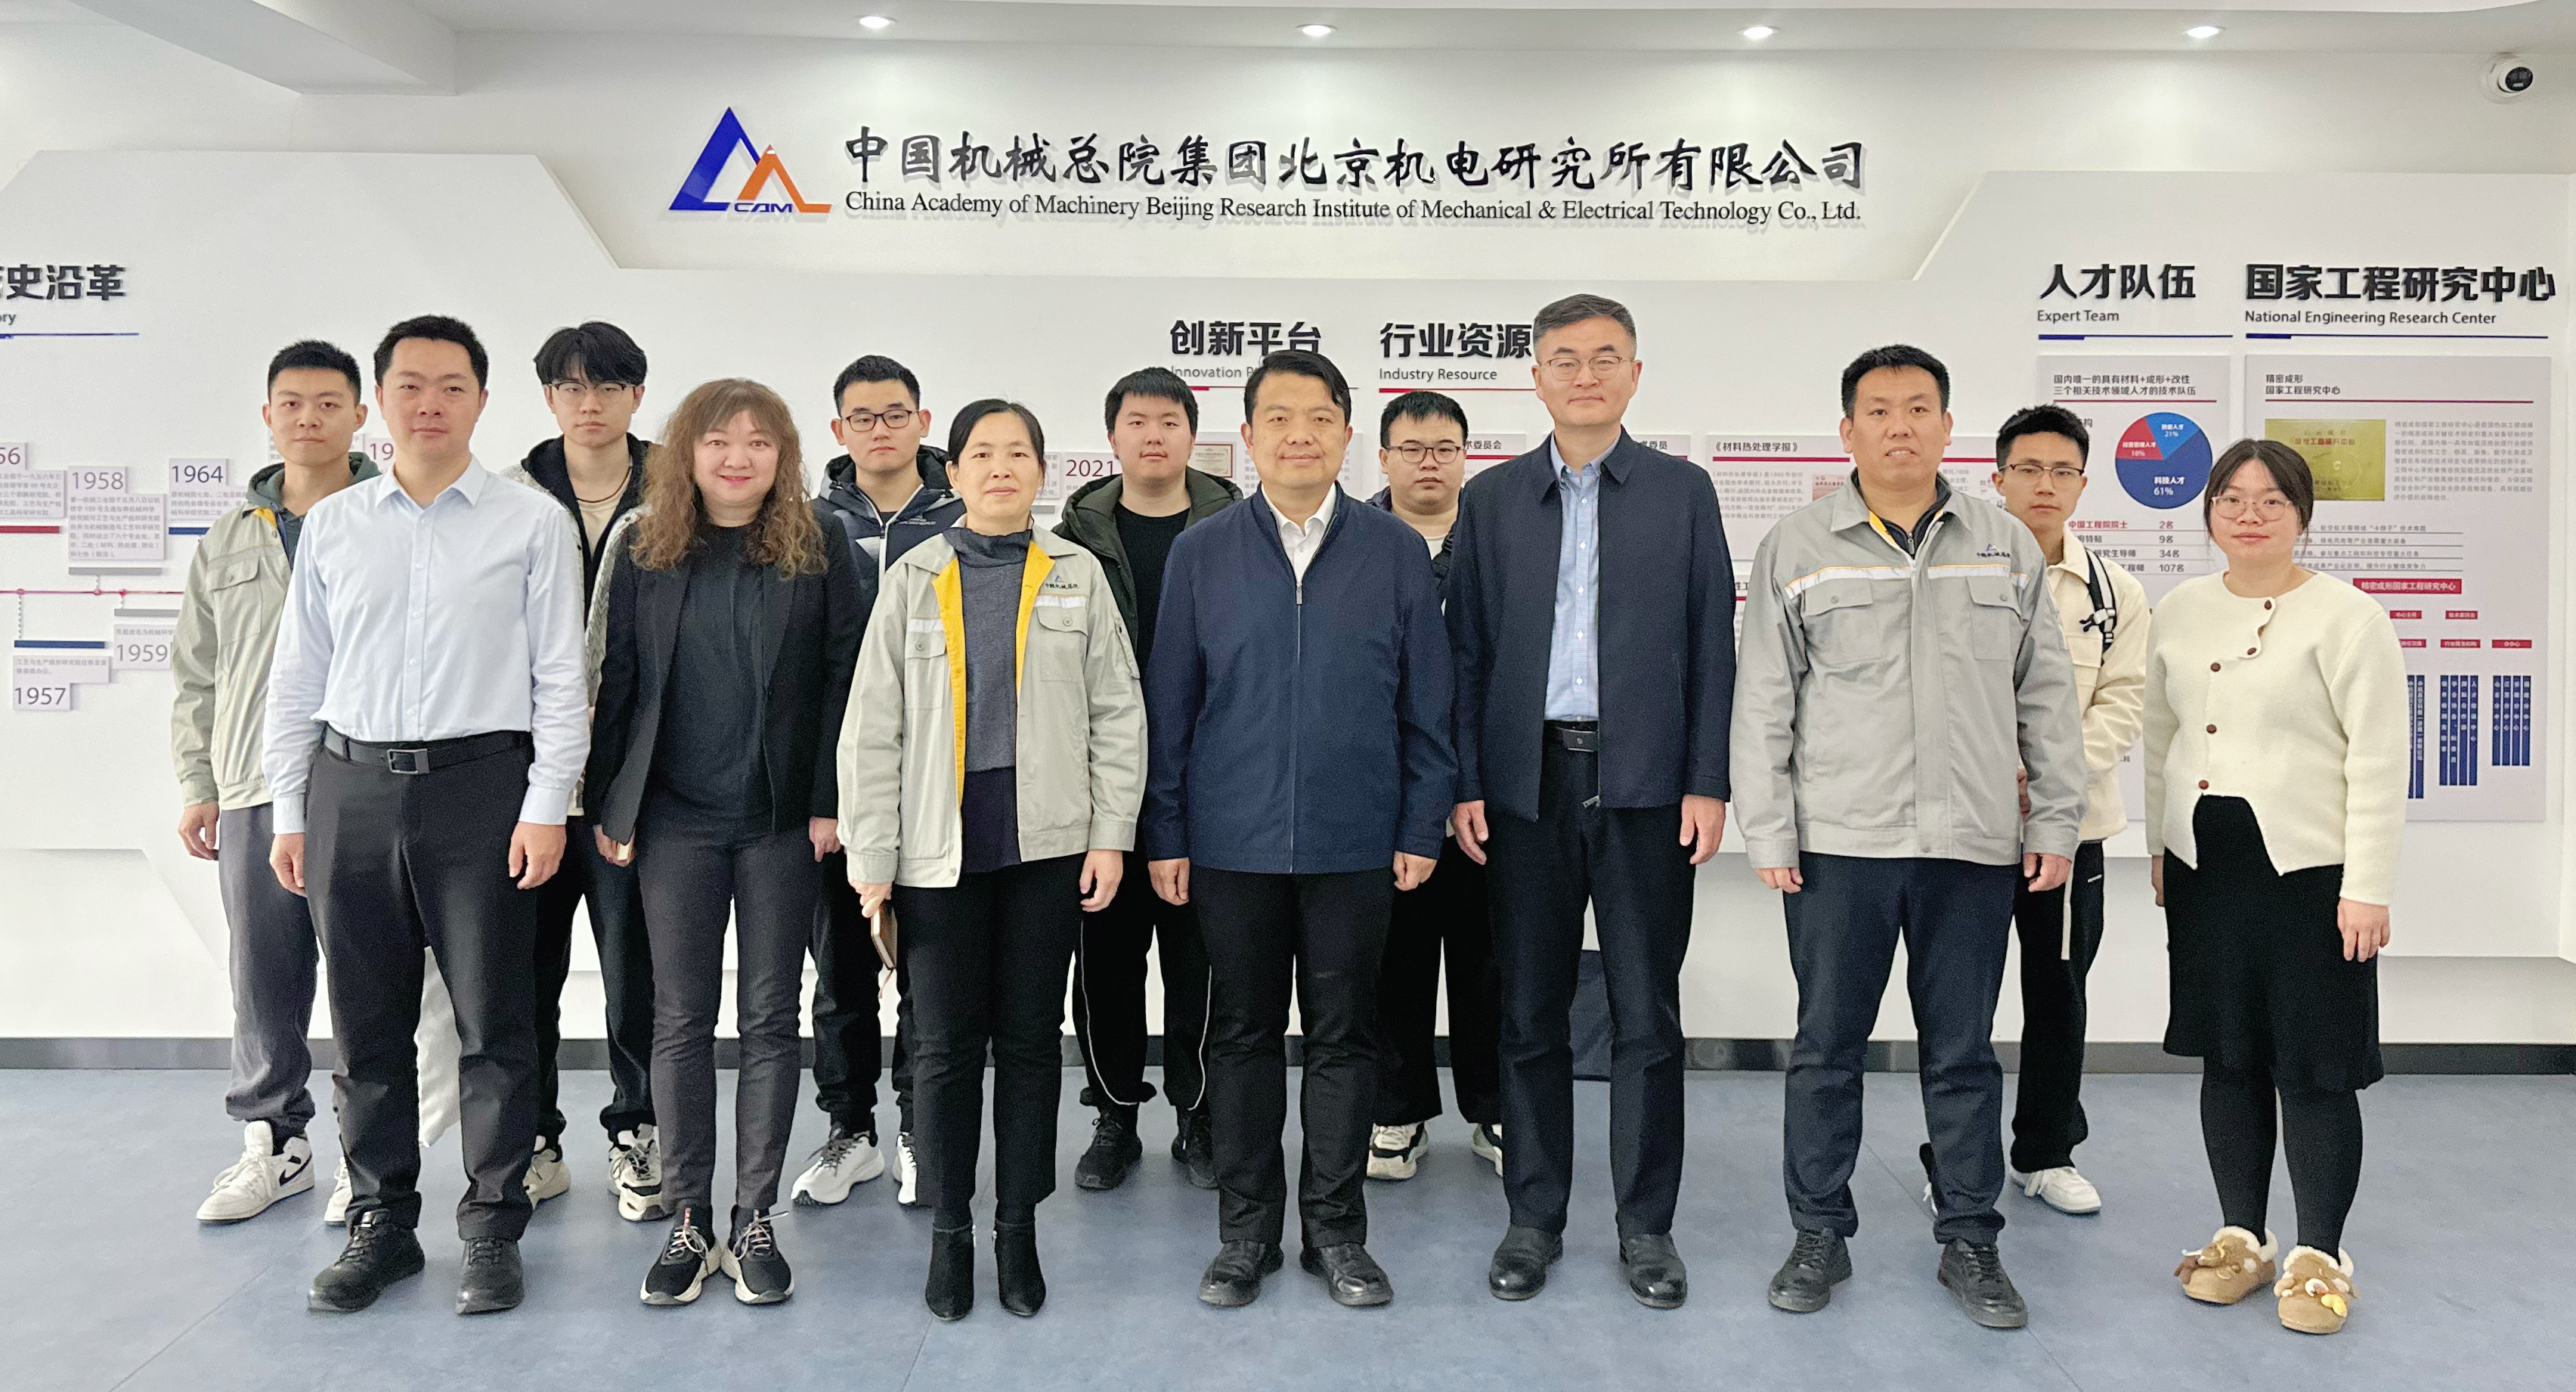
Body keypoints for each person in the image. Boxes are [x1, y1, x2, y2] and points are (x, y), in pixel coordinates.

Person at [1734, 344, 2084, 1331]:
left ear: (1947, 426)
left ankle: (1970, 1238)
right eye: (1880, 410)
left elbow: (2046, 693)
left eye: (1919, 408)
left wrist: (2055, 817)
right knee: (1825, 1049)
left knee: (1963, 1053)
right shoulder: (1799, 544)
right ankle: (1818, 1231)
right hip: (1839, 841)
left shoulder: (2003, 543)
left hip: (1970, 844)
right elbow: (1763, 697)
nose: (1900, 426)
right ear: (1847, 430)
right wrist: (1770, 828)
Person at [265, 315, 588, 1316]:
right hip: (350, 787)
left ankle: (492, 1226)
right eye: (410, 385)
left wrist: (546, 804)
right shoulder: (336, 525)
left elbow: (562, 678)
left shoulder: (531, 522)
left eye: (452, 386)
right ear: (382, 401)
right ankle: (383, 1222)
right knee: (367, 1025)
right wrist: (289, 810)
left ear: (482, 400)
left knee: (496, 1022)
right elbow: (298, 677)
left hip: (483, 787)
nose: (430, 403)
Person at [1144, 349, 1455, 1311]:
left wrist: (1421, 823)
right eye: (1277, 417)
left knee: (1345, 1038)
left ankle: (1336, 1232)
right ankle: (1245, 1234)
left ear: (1346, 434)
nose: (1299, 435)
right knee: (1239, 1036)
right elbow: (1170, 705)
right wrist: (1167, 831)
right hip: (1229, 842)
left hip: (1355, 840)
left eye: (1319, 417)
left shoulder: (1393, 550)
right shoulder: (1203, 552)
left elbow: (1427, 704)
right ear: (1247, 437)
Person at [1446, 295, 1732, 1309]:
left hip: (1647, 783)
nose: (1584, 375)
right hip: (1525, 785)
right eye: (1564, 359)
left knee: (1646, 1013)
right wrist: (1467, 780)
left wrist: (1707, 779)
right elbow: (1467, 652)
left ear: (1635, 374)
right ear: (1535, 377)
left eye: (1605, 357)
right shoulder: (1493, 499)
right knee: (1527, 1011)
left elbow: (1712, 640)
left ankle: (1646, 1226)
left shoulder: (1682, 491)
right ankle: (1533, 1217)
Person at [841, 400, 1145, 1321]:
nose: (1002, 467)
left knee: (1028, 1043)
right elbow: (873, 727)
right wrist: (873, 854)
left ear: (1043, 472)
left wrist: (1111, 834)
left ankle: (1017, 1227)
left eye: (1019, 453)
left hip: (1046, 846)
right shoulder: (915, 575)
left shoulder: (1077, 573)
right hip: (937, 851)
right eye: (983, 453)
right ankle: (950, 1231)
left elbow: (1116, 712)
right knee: (939, 1047)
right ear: (956, 473)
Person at [588, 378, 864, 1307]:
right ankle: (688, 1218)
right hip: (675, 818)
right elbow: (620, 681)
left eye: (757, 441)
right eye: (717, 441)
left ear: (783, 455)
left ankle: (752, 1219)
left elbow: (844, 679)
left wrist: (830, 801)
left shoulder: (820, 544)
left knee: (771, 1018)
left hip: (781, 820)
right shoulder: (647, 546)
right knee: (678, 1019)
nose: (737, 457)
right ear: (687, 453)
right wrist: (613, 805)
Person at [2150, 439, 2404, 1337]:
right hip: (2205, 866)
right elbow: (2160, 736)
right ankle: (2241, 1237)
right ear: (2209, 510)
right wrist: (2159, 845)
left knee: (2315, 1064)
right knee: (2228, 1055)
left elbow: (2380, 760)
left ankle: (2320, 1254)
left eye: (2271, 499)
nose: (2249, 514)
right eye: (2231, 497)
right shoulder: (2179, 609)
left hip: (2312, 875)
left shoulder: (2349, 617)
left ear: (2302, 513)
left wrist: (2368, 884)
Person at [174, 340, 377, 1224]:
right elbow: (197, 672)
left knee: (370, 972)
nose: (308, 418)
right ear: (268, 415)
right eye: (291, 402)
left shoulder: (392, 519)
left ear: (359, 416)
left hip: (364, 779)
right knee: (264, 971)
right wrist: (198, 781)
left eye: (328, 403)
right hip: (255, 783)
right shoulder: (229, 538)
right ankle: (275, 1142)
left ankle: (368, 1152)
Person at [1054, 365, 1240, 1192]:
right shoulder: (1075, 535)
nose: (1153, 435)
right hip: (1101, 782)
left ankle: (1200, 1114)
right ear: (1113, 435)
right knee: (1106, 960)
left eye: (1169, 420)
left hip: (1209, 778)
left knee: (1204, 959)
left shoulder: (1237, 526)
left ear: (1193, 434)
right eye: (1137, 421)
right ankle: (1115, 1115)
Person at [799, 354, 961, 1209]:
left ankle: (916, 1127)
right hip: (838, 784)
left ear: (922, 422)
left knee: (926, 972)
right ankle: (850, 1127)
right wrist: (823, 797)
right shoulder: (806, 522)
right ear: (839, 430)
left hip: (938, 783)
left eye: (896, 413)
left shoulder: (963, 516)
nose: (881, 429)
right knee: (841, 972)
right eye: (862, 417)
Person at [511, 321, 658, 1220]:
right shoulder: (509, 498)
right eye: (570, 387)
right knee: (524, 971)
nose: (589, 403)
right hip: (527, 781)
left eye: (607, 386)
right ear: (549, 398)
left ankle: (636, 1129)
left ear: (637, 394)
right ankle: (535, 1138)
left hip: (633, 782)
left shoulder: (680, 492)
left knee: (636, 971)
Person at [1987, 405, 2150, 1216]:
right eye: (2028, 469)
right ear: (1997, 479)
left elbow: (2124, 701)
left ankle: (2046, 1151)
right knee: (1959, 1002)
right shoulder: (1965, 571)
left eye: (2061, 471)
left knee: (2059, 993)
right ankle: (1958, 1157)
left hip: (2071, 832)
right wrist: (1997, 772)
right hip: (1972, 827)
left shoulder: (2114, 593)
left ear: (2083, 484)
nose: (2044, 485)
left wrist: (2049, 774)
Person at [1363, 390, 1501, 1183]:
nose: (1429, 462)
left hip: (1489, 793)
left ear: (1465, 458)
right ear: (1383, 457)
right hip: (1387, 794)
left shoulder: (1498, 539)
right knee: (1395, 963)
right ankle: (1398, 1111)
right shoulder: (1357, 542)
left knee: (1493, 961)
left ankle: (1495, 1107)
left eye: (1445, 448)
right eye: (1412, 448)